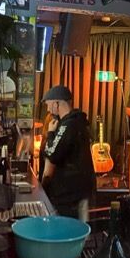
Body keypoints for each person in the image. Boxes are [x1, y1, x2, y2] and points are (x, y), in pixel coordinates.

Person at [41, 85, 96, 221]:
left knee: (68, 229)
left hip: (70, 193)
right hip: (80, 190)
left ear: (57, 103)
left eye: (48, 105)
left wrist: (50, 133)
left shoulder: (68, 124)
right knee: (81, 228)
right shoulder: (77, 122)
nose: (48, 109)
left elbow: (53, 154)